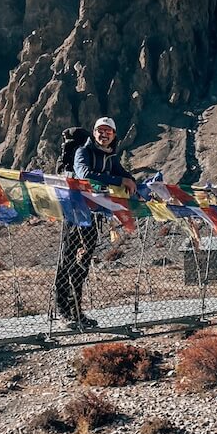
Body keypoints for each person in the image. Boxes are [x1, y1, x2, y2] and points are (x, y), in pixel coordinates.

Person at [53, 117, 136, 330]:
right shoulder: (84, 152)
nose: (104, 134)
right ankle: (63, 311)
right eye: (100, 130)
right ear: (94, 132)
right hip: (74, 213)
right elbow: (85, 175)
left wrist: (131, 180)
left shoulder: (110, 157)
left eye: (108, 131)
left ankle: (77, 311)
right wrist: (119, 181)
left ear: (114, 135)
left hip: (93, 216)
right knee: (68, 259)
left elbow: (124, 175)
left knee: (83, 263)